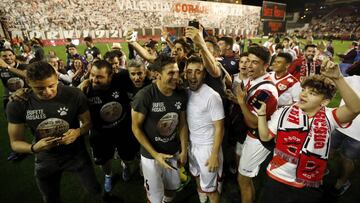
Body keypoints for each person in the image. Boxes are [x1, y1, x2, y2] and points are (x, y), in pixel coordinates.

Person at [256, 59, 360, 203]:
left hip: (308, 184)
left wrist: (338, 78)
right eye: (304, 90)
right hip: (277, 177)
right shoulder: (283, 112)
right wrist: (261, 114)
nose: (303, 94)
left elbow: (355, 108)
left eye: (312, 93)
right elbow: (265, 136)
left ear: (324, 102)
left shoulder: (329, 116)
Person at [6, 61, 102, 203]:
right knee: (50, 197)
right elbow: (15, 143)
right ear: (28, 83)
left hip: (76, 153)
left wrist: (77, 132)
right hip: (45, 157)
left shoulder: (74, 94)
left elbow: (88, 123)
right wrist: (33, 148)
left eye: (51, 85)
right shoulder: (18, 103)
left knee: (94, 190)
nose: (48, 92)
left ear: (57, 78)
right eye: (39, 88)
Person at [131, 55, 188, 203]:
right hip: (152, 156)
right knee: (155, 197)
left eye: (177, 72)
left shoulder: (180, 94)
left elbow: (182, 124)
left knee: (172, 188)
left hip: (173, 151)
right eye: (171, 73)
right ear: (157, 75)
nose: (176, 76)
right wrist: (155, 155)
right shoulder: (144, 96)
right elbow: (136, 128)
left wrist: (184, 149)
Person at [81, 60, 138, 192]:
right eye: (92, 75)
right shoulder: (86, 89)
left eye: (99, 77)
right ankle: (108, 175)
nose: (94, 80)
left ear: (111, 76)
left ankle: (126, 167)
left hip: (123, 129)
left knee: (128, 157)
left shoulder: (121, 78)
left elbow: (143, 73)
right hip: (100, 133)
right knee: (103, 160)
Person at [235, 46, 278, 203]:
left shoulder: (265, 89)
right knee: (245, 176)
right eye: (247, 61)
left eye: (254, 62)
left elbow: (253, 122)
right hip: (253, 136)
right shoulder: (254, 79)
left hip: (258, 138)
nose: (248, 66)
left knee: (243, 179)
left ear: (265, 65)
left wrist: (240, 102)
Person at [185, 56, 225, 203]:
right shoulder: (186, 92)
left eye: (197, 72)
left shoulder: (212, 96)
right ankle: (201, 196)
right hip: (192, 144)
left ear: (204, 74)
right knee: (195, 174)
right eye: (189, 72)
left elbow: (220, 128)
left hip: (208, 148)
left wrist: (214, 155)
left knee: (212, 191)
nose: (193, 76)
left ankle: (207, 195)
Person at [330, 75, 360, 196]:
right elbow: (331, 83)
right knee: (327, 150)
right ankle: (321, 170)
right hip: (339, 124)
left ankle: (342, 182)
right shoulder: (354, 79)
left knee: (347, 159)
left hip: (357, 134)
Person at [0, 49, 27, 161]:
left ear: (15, 56)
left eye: (10, 55)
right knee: (13, 124)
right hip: (10, 99)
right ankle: (19, 150)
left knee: (31, 123)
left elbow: (26, 75)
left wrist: (8, 67)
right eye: (4, 56)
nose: (8, 57)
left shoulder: (23, 66)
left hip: (25, 97)